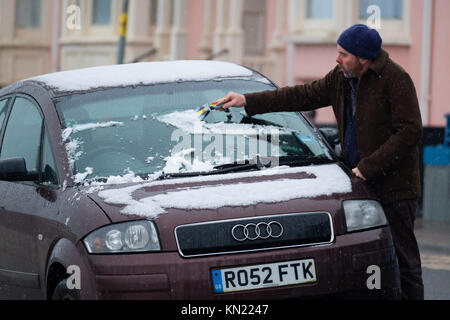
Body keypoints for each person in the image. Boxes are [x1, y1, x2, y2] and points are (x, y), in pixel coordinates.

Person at [212, 24, 424, 300]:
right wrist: (247, 101)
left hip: (395, 189)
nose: (338, 60)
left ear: (363, 58)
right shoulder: (340, 77)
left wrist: (369, 166)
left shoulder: (395, 79)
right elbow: (300, 95)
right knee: (370, 263)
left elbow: (410, 131)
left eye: (344, 54)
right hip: (359, 184)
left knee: (403, 261)